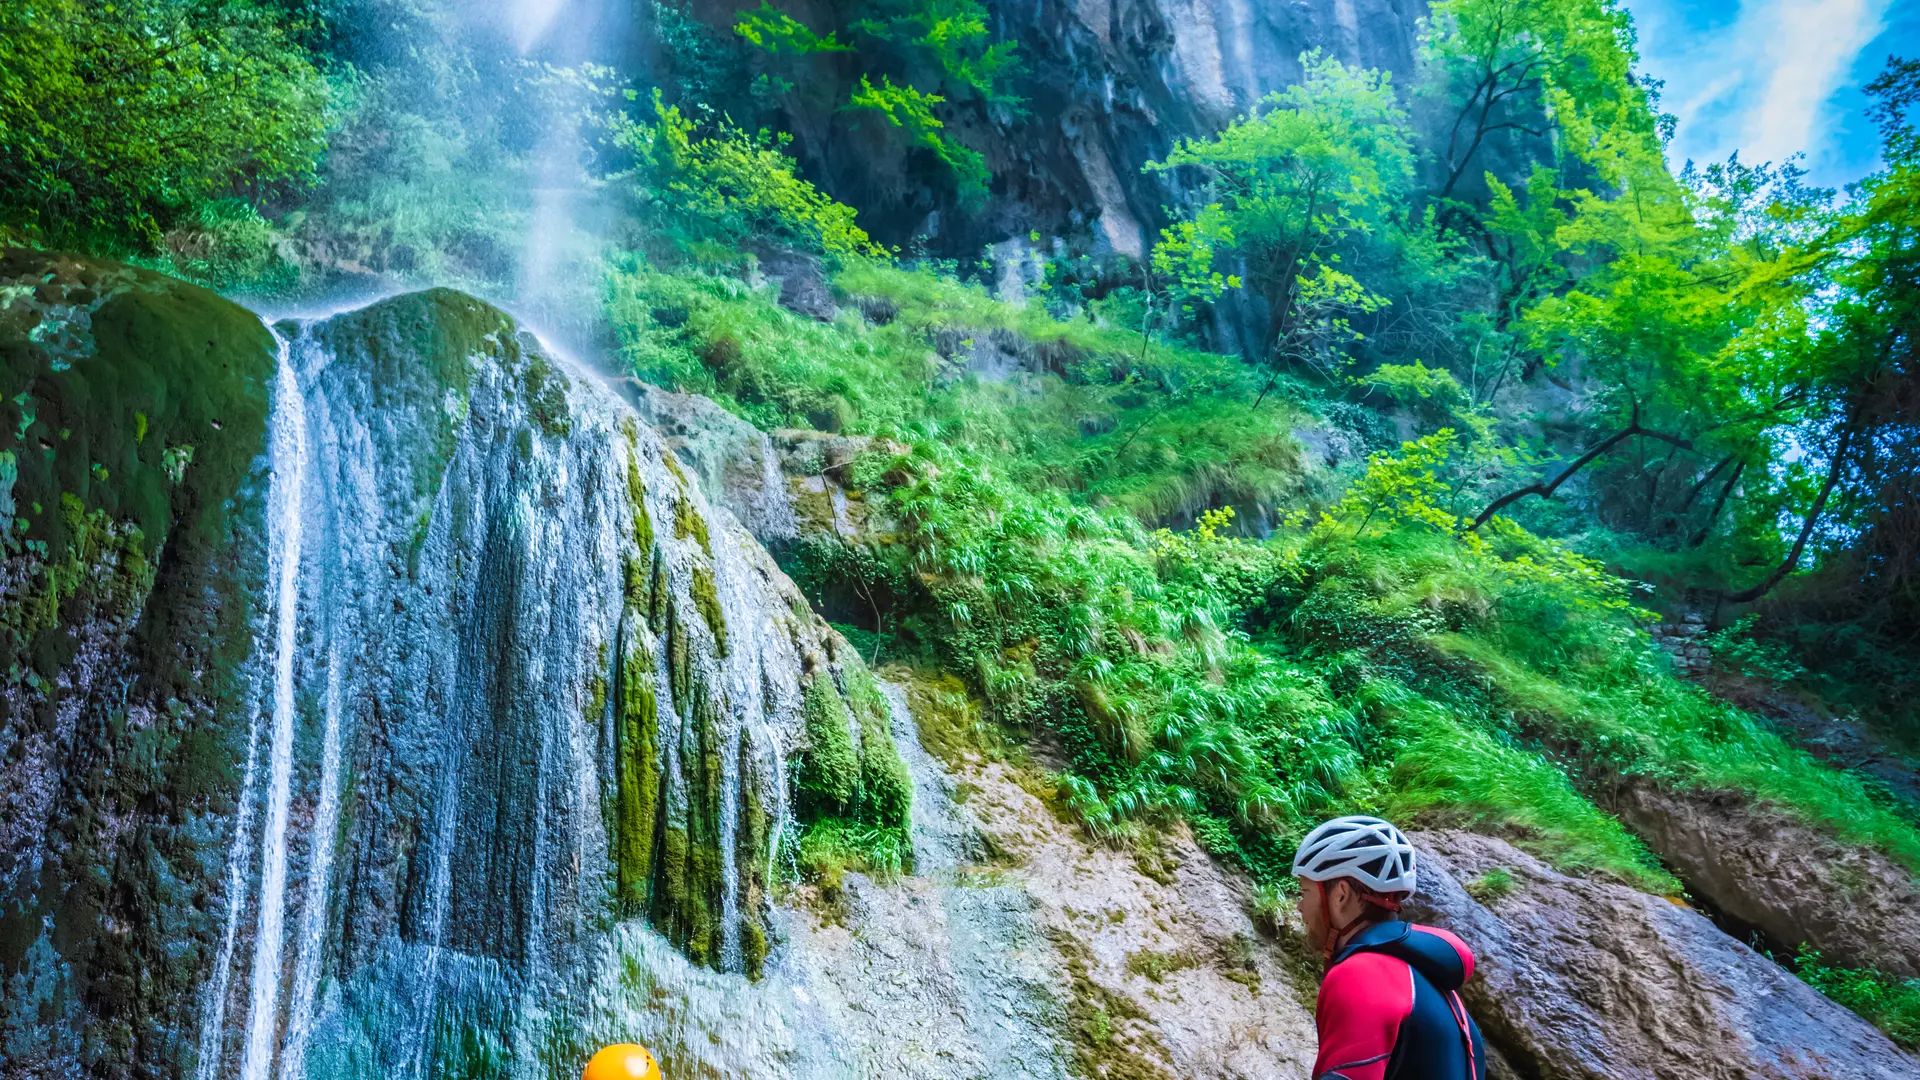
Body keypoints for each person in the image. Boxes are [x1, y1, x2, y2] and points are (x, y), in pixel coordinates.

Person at [1294, 815, 1487, 1080]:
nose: (1299, 906)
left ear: (1341, 895)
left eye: (1305, 892)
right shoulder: (1431, 983)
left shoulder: (1361, 975)